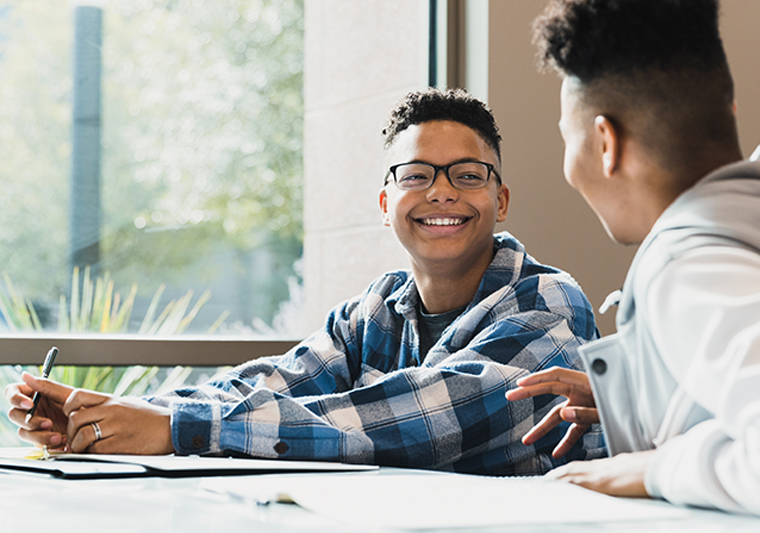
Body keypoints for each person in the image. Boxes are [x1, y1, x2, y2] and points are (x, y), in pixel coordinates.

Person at [6, 88, 605, 475]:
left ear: (500, 201)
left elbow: (418, 419)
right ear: (384, 202)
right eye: (417, 174)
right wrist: (120, 414)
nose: (441, 191)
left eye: (467, 175)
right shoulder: (372, 312)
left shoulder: (547, 302)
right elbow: (270, 382)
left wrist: (174, 428)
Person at [506, 0, 760, 518]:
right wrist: (644, 397)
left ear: (605, 142)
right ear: (726, 113)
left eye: (566, 138)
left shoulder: (689, 264)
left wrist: (656, 467)